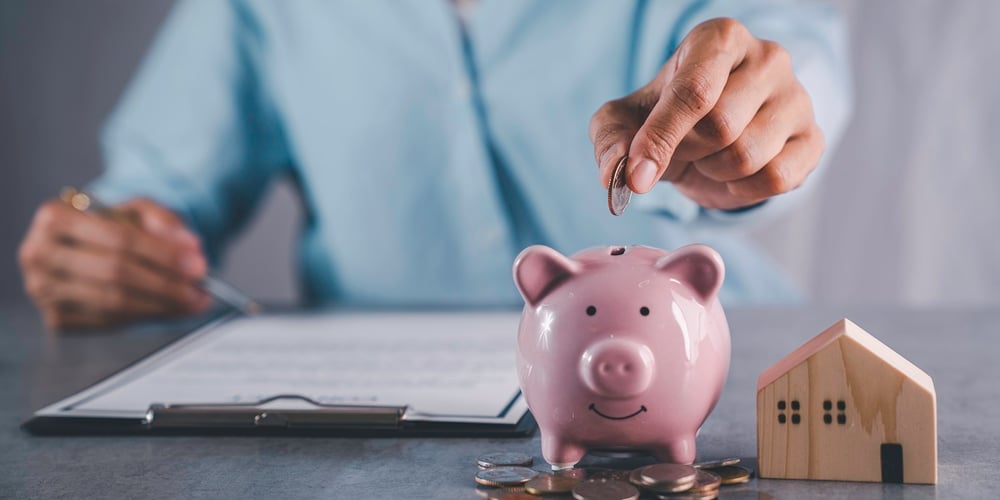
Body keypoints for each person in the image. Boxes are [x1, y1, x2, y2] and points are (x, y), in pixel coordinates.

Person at [18, 1, 850, 329]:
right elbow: (150, 197)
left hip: (697, 385)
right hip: (373, 419)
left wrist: (759, 118)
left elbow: (785, 62)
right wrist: (108, 244)